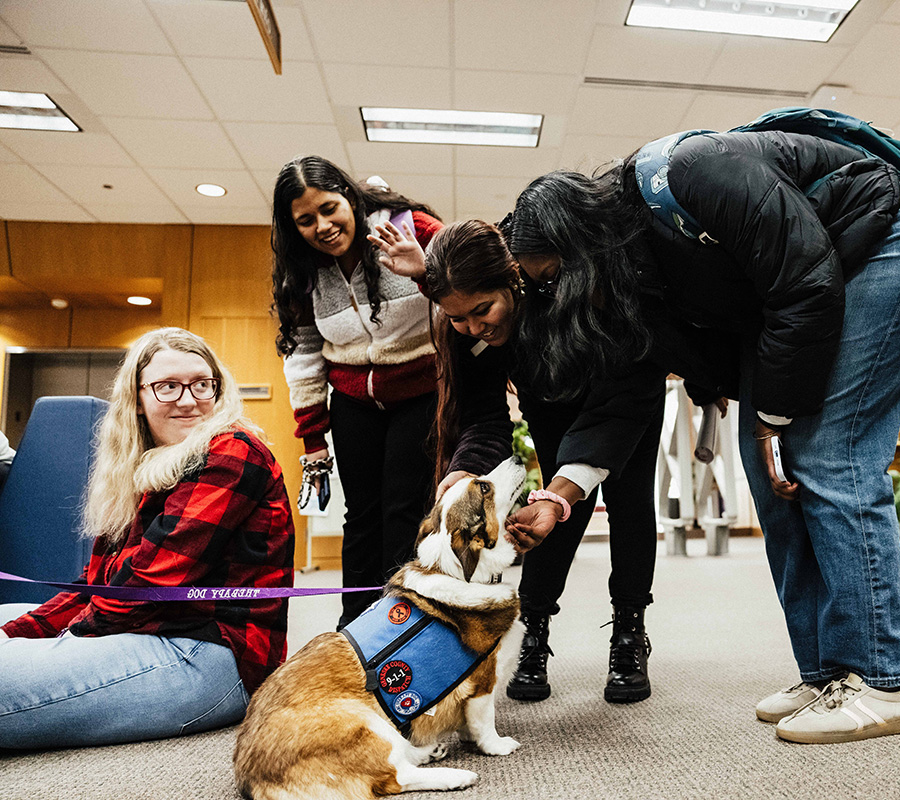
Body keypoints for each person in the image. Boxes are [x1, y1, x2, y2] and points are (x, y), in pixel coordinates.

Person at [441, 127, 900, 744]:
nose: (548, 294)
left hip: (878, 249)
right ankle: (828, 673)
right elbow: (621, 404)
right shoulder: (629, 288)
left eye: (550, 279)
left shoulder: (693, 172)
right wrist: (559, 496)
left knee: (827, 459)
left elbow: (806, 281)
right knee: (768, 474)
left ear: (583, 247)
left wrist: (775, 418)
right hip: (799, 298)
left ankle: (885, 680)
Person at [399, 219, 666, 703]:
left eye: (483, 310)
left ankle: (629, 633)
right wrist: (464, 470)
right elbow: (484, 418)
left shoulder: (565, 296)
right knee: (551, 513)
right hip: (551, 401)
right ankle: (534, 633)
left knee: (630, 505)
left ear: (514, 279)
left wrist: (577, 474)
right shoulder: (465, 331)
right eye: (459, 318)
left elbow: (627, 379)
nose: (474, 327)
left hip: (622, 397)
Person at [0, 327, 295, 750]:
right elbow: (97, 583)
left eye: (201, 384)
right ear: (138, 398)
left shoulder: (231, 450)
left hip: (210, 656)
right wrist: (18, 631)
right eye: (168, 386)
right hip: (146, 633)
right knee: (7, 616)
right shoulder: (143, 465)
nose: (189, 399)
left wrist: (63, 640)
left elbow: (144, 587)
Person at [271, 155, 443, 629]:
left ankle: (404, 621)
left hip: (419, 391)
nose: (323, 226)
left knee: (405, 508)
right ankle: (357, 627)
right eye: (306, 220)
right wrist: (312, 442)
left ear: (350, 197)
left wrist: (424, 271)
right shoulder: (304, 271)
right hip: (353, 400)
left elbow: (463, 292)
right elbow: (304, 356)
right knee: (361, 516)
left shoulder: (409, 227)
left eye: (330, 209)